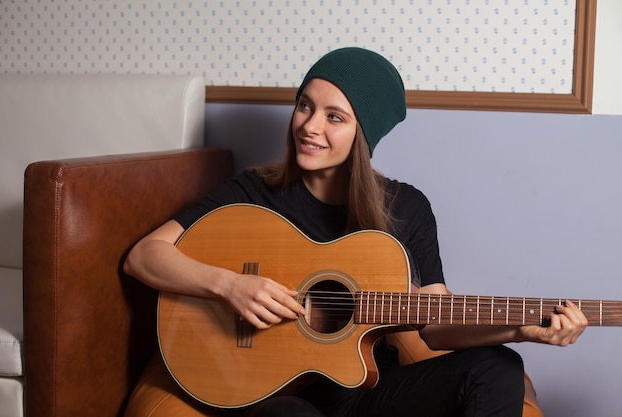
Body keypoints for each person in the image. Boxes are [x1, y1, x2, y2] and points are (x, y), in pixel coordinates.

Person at [123, 47, 588, 417]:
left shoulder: (405, 208)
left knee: (499, 368)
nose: (309, 126)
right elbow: (144, 256)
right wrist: (232, 286)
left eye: (334, 116)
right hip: (279, 394)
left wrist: (519, 330)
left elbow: (438, 326)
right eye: (305, 106)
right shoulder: (254, 192)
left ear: (363, 134)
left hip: (366, 391)